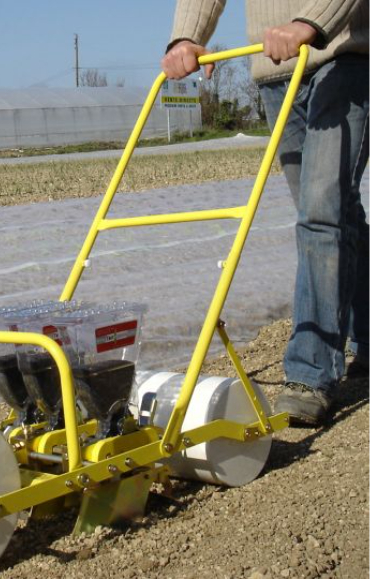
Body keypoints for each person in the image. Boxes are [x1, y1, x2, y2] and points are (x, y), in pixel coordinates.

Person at [161, 0, 369, 426]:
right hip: (275, 68)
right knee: (334, 212)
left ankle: (311, 373)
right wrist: (186, 36)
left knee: (321, 213)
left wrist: (310, 22)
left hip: (344, 55)